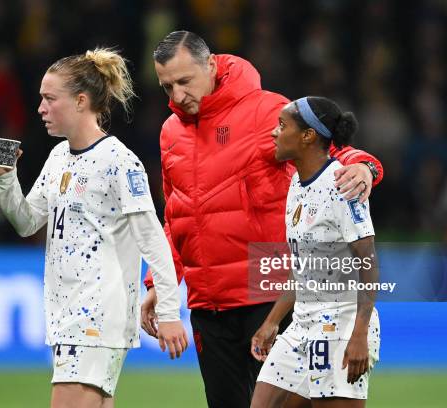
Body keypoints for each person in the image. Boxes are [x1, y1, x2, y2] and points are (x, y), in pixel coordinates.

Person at [140, 31, 383, 407]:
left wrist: (365, 167)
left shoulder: (263, 111)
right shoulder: (170, 132)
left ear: (212, 65)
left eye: (184, 81)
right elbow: (176, 215)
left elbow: (329, 148)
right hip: (208, 304)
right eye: (166, 86)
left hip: (266, 293)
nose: (176, 96)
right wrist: (161, 282)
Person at [0, 48, 188, 408]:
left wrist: (171, 314)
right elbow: (26, 221)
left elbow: (153, 241)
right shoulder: (59, 157)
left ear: (80, 101)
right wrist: (6, 180)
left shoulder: (119, 162)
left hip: (96, 316)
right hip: (68, 314)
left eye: (49, 99)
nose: (40, 108)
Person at [250, 96, 380, 408]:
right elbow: (304, 266)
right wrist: (272, 321)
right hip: (301, 324)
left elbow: (369, 264)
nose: (274, 133)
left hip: (340, 324)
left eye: (282, 126)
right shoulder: (297, 183)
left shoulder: (342, 185)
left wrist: (359, 334)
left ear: (308, 136)